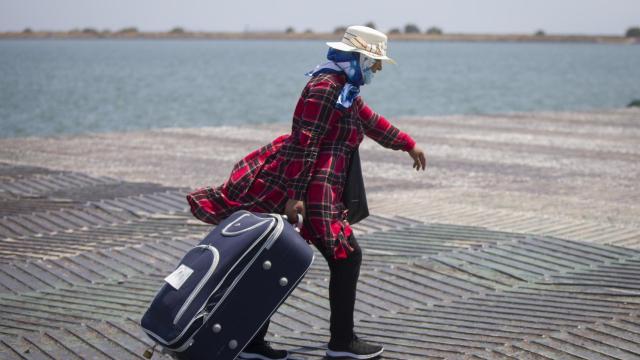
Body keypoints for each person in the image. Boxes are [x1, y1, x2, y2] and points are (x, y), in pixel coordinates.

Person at [186, 25, 427, 360]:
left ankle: (252, 343)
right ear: (356, 58)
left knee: (277, 261)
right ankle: (341, 343)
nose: (379, 68)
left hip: (319, 187)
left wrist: (407, 145)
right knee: (344, 256)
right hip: (314, 189)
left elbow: (370, 121)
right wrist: (295, 195)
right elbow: (305, 142)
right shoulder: (325, 87)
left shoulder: (343, 87)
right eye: (374, 61)